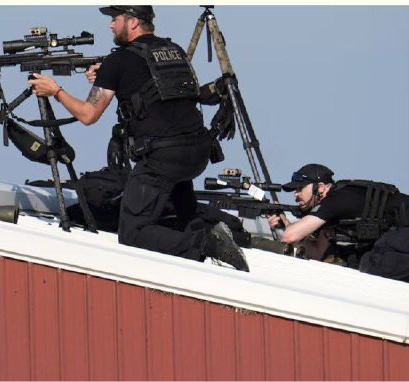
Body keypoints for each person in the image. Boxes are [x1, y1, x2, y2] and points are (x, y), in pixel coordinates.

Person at [28, 5, 248, 272]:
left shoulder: (119, 61)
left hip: (162, 158)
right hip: (197, 152)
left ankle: (207, 243)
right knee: (184, 215)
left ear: (132, 23)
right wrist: (109, 76)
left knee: (132, 233)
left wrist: (55, 91)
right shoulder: (173, 50)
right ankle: (204, 237)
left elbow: (88, 114)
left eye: (115, 19)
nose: (110, 25)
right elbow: (157, 87)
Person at [268, 164, 409, 293]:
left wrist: (287, 228)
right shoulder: (333, 207)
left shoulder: (336, 200)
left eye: (299, 189)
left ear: (320, 188)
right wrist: (287, 229)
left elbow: (290, 236)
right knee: (353, 258)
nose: (296, 194)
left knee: (374, 260)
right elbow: (318, 251)